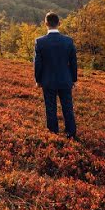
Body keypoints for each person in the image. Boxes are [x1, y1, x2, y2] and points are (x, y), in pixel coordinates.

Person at [34, 12, 77, 140]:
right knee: (68, 107)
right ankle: (71, 134)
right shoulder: (68, 41)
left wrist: (38, 80)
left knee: (50, 108)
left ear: (46, 23)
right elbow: (73, 63)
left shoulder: (40, 42)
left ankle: (53, 135)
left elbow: (38, 64)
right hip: (65, 80)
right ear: (59, 23)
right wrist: (74, 79)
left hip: (48, 81)